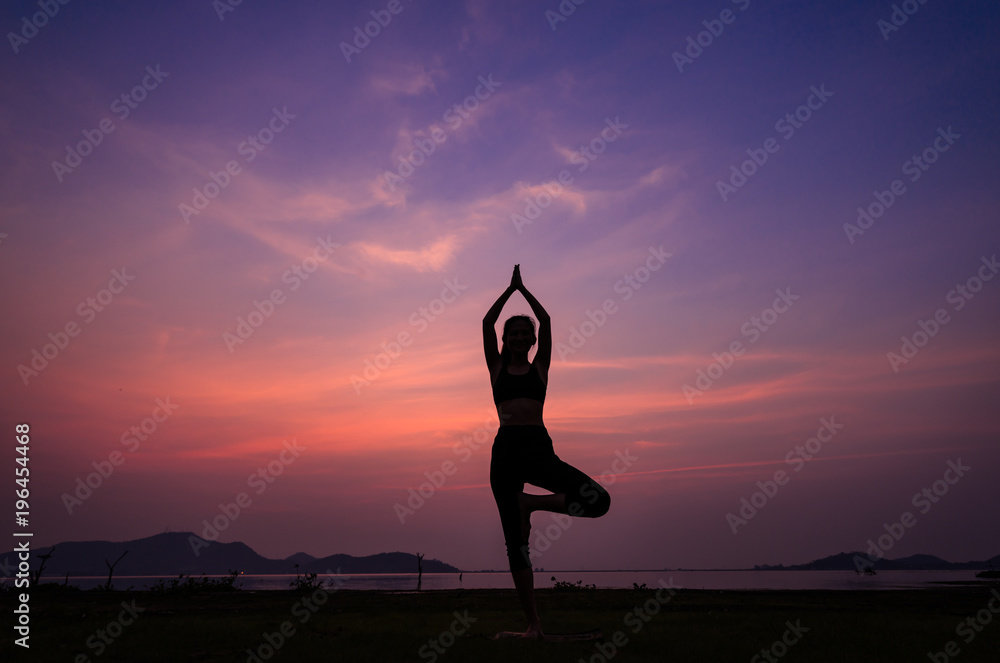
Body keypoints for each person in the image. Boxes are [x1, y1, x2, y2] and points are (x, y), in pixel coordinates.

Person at [483, 264, 611, 638]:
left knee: (597, 501)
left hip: (539, 447)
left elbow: (547, 319)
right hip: (506, 450)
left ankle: (531, 504)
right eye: (514, 333)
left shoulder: (541, 367)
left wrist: (525, 291)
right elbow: (487, 322)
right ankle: (533, 625)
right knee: (515, 542)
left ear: (533, 340)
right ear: (505, 338)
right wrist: (509, 291)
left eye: (526, 333)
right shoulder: (495, 367)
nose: (520, 336)